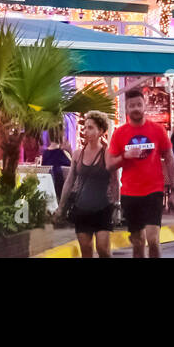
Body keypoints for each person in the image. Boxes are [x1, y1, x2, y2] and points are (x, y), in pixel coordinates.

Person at [107, 89, 174, 258]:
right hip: (130, 193)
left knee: (153, 239)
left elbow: (170, 159)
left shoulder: (157, 130)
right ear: (127, 108)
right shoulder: (119, 133)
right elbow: (109, 165)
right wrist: (125, 156)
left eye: (139, 104)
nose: (136, 108)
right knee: (138, 241)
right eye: (132, 106)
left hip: (153, 190)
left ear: (144, 105)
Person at [58, 110, 119, 257]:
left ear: (101, 131)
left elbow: (115, 181)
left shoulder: (107, 154)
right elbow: (70, 181)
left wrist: (117, 206)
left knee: (103, 248)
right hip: (82, 208)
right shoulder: (78, 154)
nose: (86, 131)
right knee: (86, 249)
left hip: (102, 208)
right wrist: (61, 206)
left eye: (91, 127)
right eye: (85, 127)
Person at [41, 130, 73, 202]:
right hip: (61, 189)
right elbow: (74, 168)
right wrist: (70, 151)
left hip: (48, 188)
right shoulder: (63, 153)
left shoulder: (45, 154)